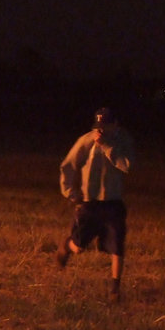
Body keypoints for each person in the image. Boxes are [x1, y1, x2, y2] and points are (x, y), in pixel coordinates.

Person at [56, 107, 136, 301]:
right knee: (80, 246)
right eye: (98, 127)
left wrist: (107, 146)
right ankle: (67, 246)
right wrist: (70, 192)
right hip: (90, 203)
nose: (100, 131)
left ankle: (115, 290)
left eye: (105, 126)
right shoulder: (86, 140)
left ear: (115, 125)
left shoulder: (122, 141)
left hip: (113, 202)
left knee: (117, 245)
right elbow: (68, 164)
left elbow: (127, 165)